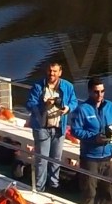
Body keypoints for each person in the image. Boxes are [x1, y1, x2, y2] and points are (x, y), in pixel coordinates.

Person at [70, 76, 112, 204]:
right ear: (89, 92)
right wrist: (94, 138)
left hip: (108, 156)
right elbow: (76, 131)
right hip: (90, 157)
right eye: (96, 92)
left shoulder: (110, 107)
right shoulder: (82, 109)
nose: (100, 95)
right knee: (89, 191)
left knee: (107, 189)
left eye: (102, 91)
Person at [26, 62, 77, 191]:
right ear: (46, 71)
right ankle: (39, 187)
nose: (51, 74)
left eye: (54, 71)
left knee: (56, 158)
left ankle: (54, 185)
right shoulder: (38, 86)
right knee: (42, 159)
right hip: (42, 127)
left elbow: (74, 101)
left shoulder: (68, 86)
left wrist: (68, 108)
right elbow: (30, 104)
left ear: (60, 72)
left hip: (59, 127)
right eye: (50, 71)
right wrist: (44, 105)